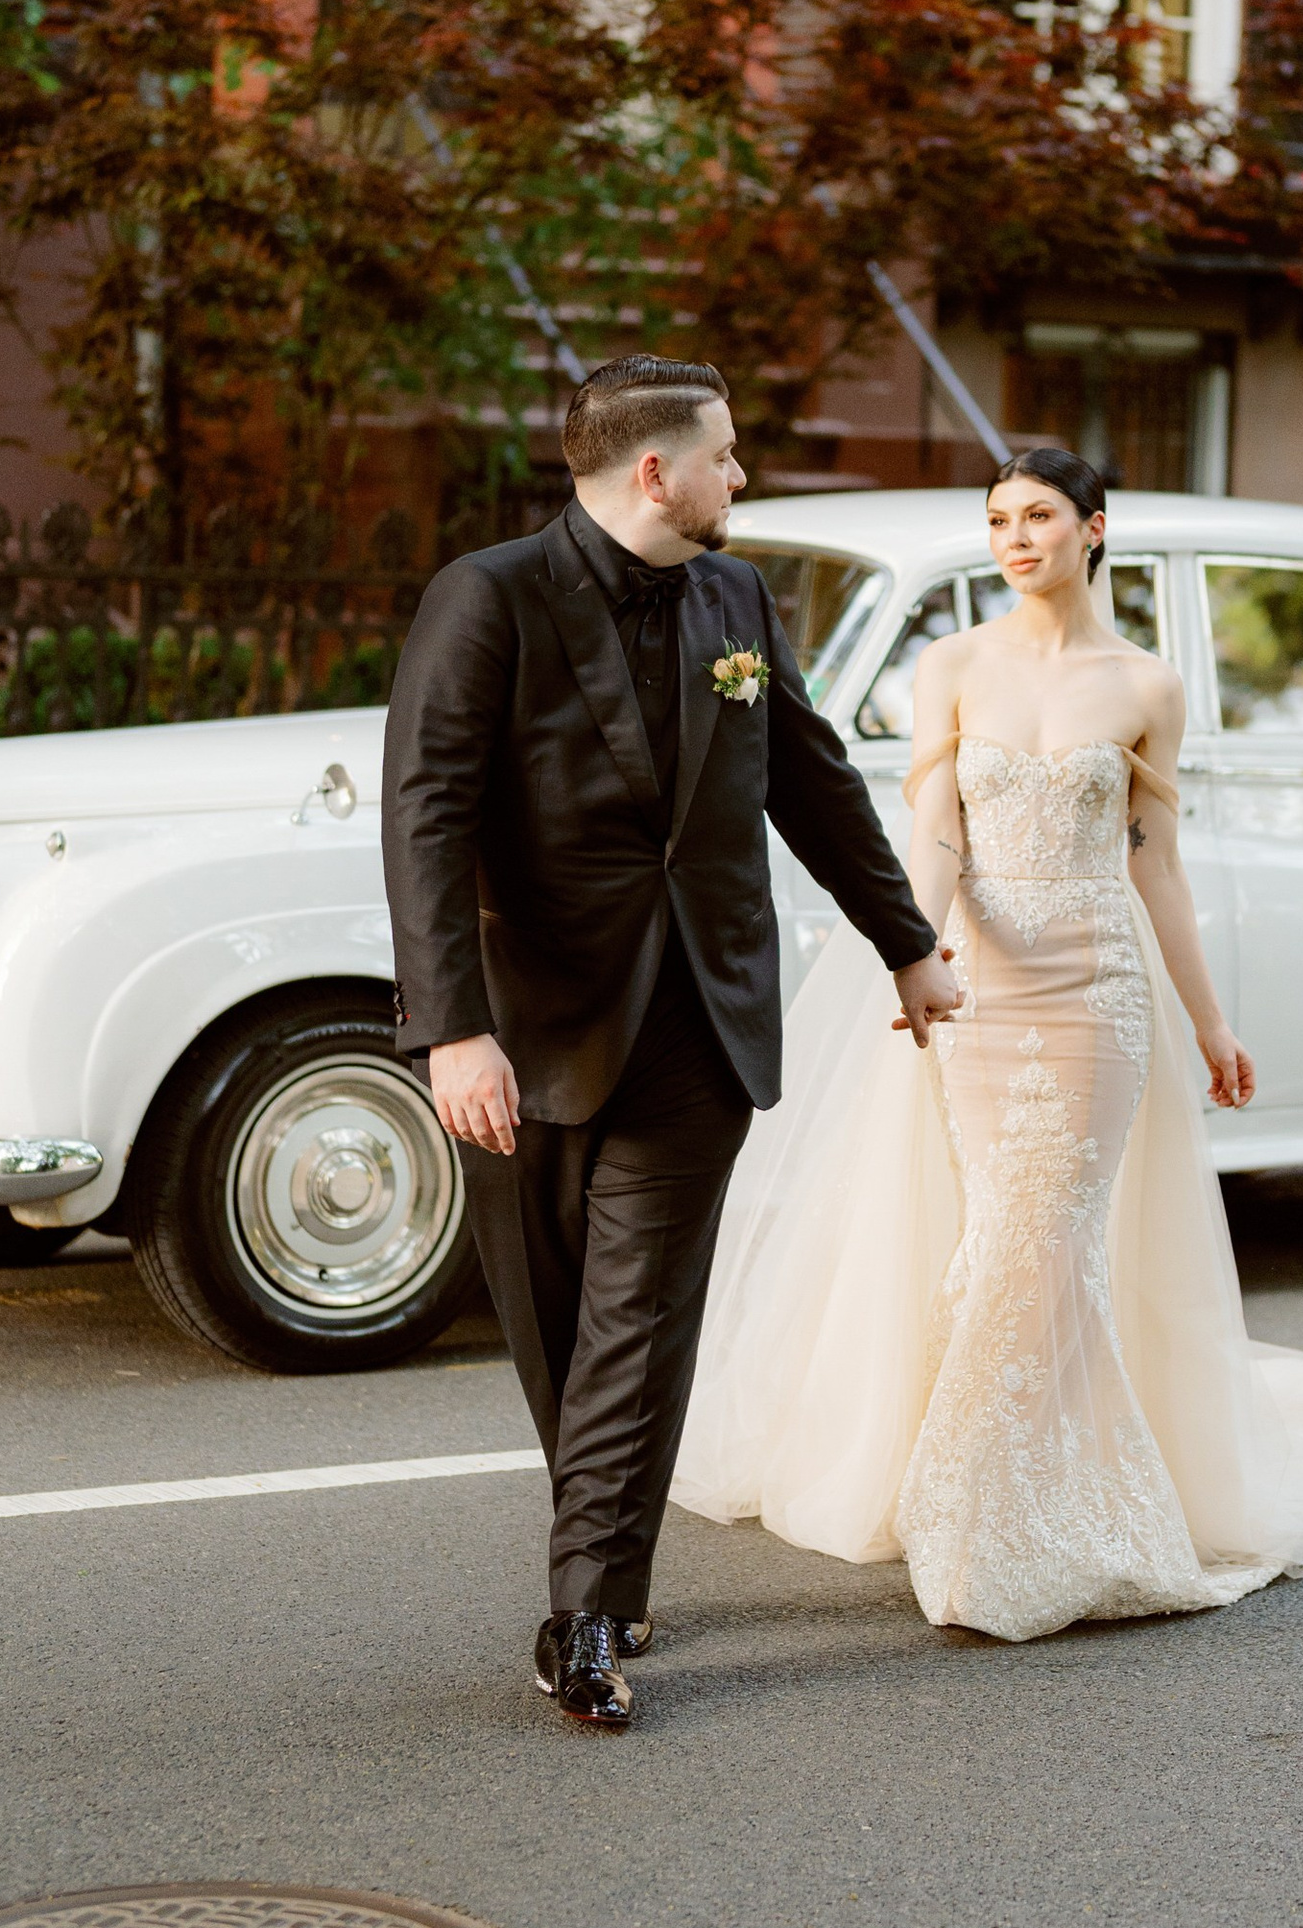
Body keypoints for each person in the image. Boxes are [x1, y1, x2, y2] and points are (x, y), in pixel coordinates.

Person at [676, 446, 1303, 1642]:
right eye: (998, 518)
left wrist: (1209, 1021)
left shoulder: (1146, 685)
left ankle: (987, 1511)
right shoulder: (950, 666)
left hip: (1099, 998)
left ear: (1095, 529)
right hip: (981, 993)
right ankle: (1020, 1477)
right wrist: (917, 952)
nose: (1014, 537)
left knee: (1044, 1238)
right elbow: (934, 835)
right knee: (1002, 1234)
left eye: (1039, 515)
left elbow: (1157, 864)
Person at [382, 353, 959, 1728]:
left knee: (639, 1319)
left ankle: (579, 1614)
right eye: (728, 454)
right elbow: (426, 814)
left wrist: (911, 945)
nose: (742, 477)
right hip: (528, 1032)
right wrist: (452, 1032)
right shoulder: (490, 597)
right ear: (658, 471)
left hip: (702, 1017)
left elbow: (811, 781)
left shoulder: (737, 597)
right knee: (554, 1326)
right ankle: (616, 1553)